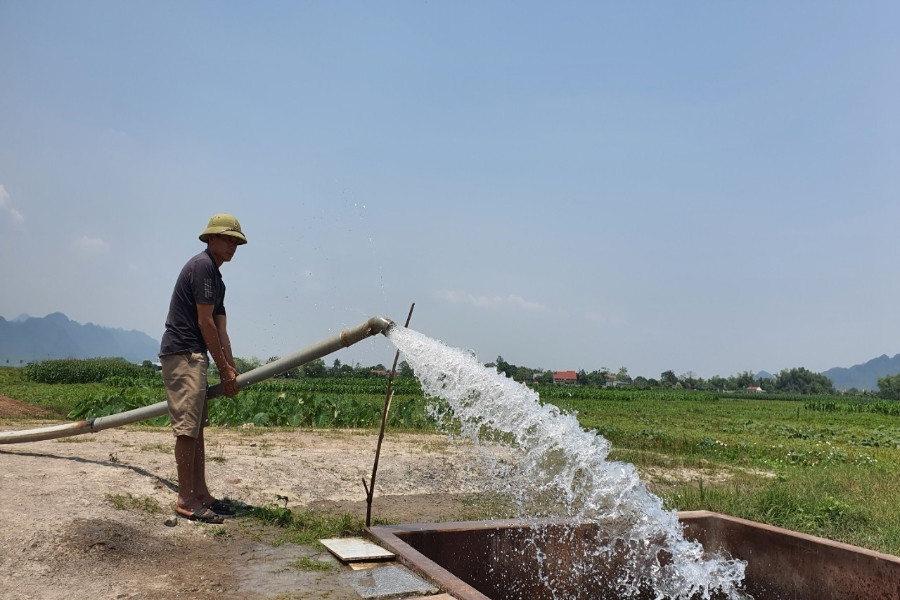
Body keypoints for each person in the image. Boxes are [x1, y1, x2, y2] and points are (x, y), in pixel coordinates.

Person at [158, 213, 247, 523]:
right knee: (187, 429)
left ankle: (201, 494)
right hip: (184, 353)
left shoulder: (217, 279)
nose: (233, 246)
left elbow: (221, 330)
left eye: (237, 241)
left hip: (195, 355)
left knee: (196, 428)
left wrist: (231, 368)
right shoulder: (203, 267)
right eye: (228, 239)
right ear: (211, 239)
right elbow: (204, 322)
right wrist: (222, 369)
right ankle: (185, 499)